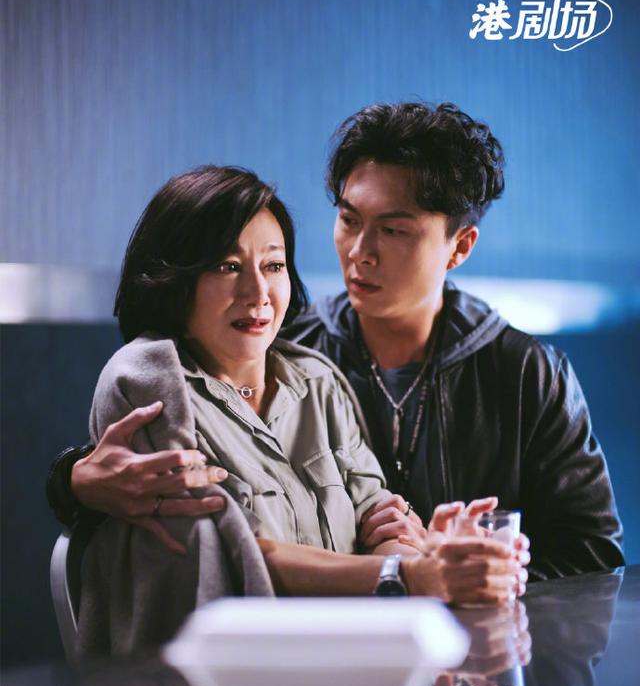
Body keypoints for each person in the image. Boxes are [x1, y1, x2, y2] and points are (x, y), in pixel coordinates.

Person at [47, 101, 622, 580]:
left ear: (459, 246)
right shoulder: (279, 344)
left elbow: (592, 556)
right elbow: (145, 468)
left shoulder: (526, 373)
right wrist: (74, 479)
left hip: (481, 657)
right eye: (349, 220)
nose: (359, 252)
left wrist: (473, 570)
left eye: (393, 230)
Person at [74, 164, 527, 654]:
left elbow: (381, 518)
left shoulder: (316, 381)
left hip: (341, 666)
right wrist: (406, 576)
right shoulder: (148, 382)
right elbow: (227, 557)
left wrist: (428, 562)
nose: (257, 293)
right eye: (227, 266)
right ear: (176, 278)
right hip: (211, 681)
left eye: (274, 266)